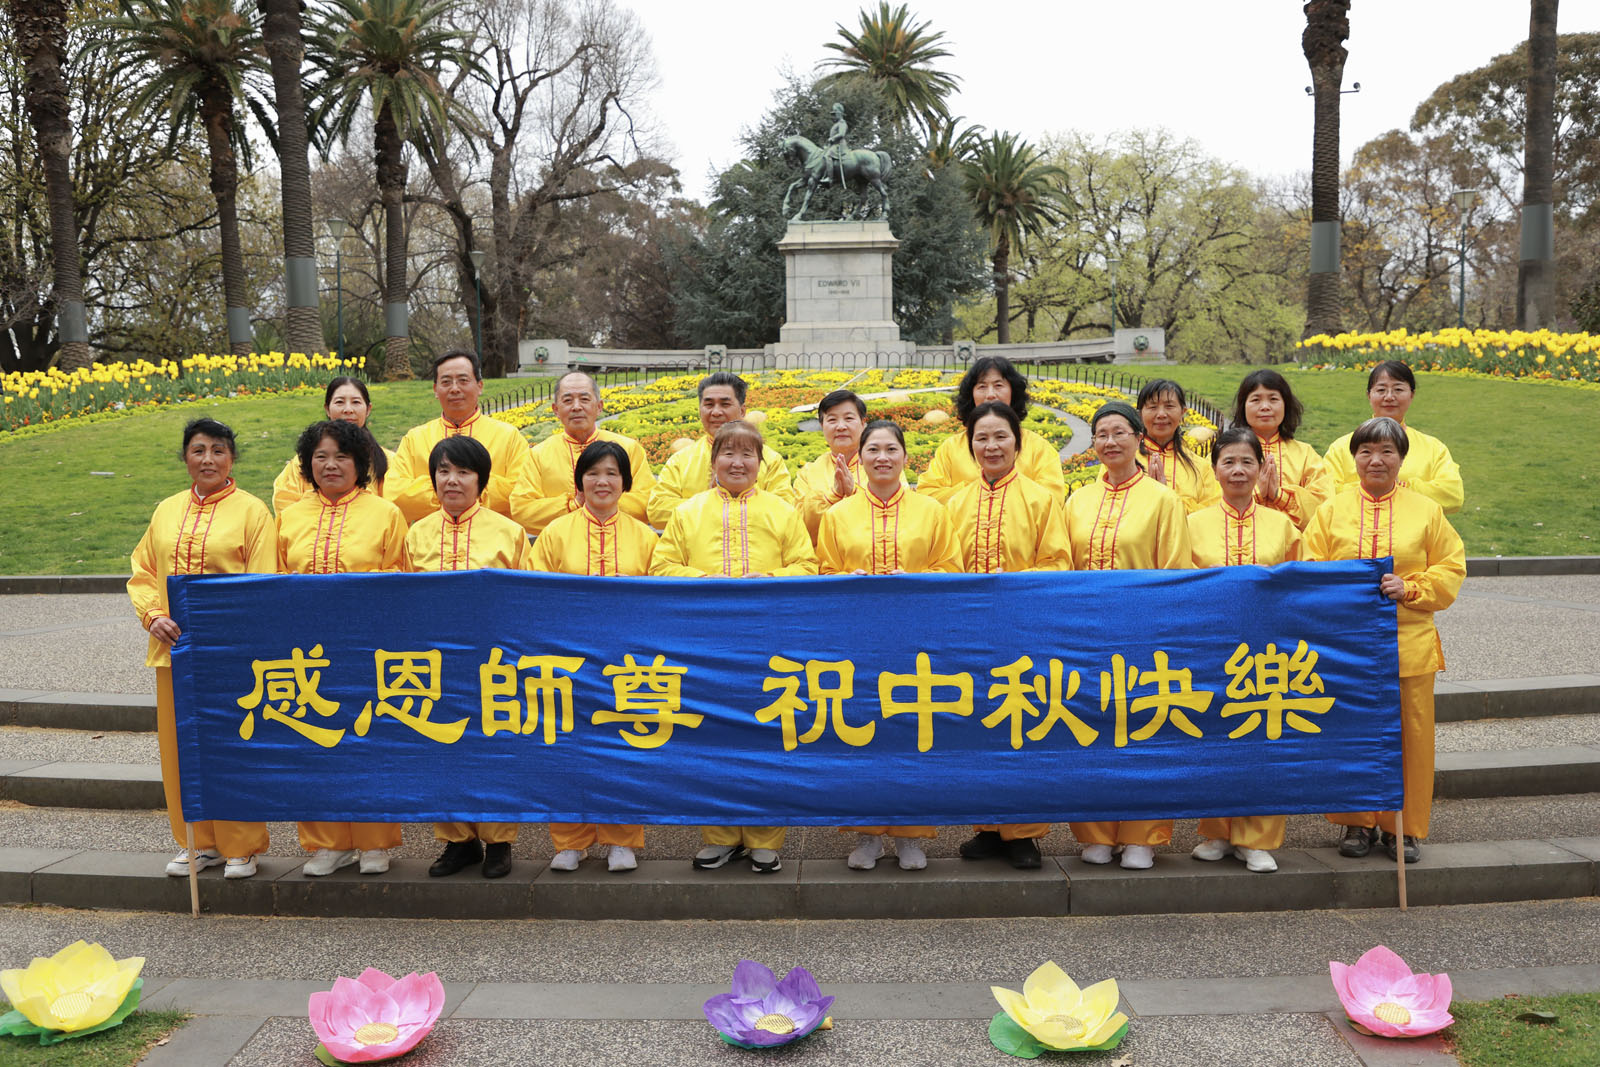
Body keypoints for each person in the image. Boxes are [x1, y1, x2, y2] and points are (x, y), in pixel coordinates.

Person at [651, 420, 817, 873]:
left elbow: (808, 566)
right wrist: (704, 580)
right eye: (728, 453)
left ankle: (765, 838)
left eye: (747, 454)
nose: (738, 462)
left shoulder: (782, 511)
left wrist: (773, 578)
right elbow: (662, 566)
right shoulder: (688, 512)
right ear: (714, 461)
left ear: (761, 464)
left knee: (768, 737)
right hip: (705, 646)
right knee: (711, 738)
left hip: (770, 646)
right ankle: (720, 836)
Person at [1305, 417, 1465, 864]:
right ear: (1354, 458)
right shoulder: (1331, 510)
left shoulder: (1426, 511)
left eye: (1387, 452)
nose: (1376, 460)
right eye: (1366, 452)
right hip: (1346, 646)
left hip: (1408, 644)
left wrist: (1410, 587)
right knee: (1351, 733)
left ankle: (1403, 827)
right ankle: (1356, 821)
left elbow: (1450, 567)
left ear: (1401, 458)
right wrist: (1340, 587)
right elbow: (1310, 566)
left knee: (1411, 739)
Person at [129, 418, 275, 880]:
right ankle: (197, 842)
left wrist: (237, 635)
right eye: (198, 450)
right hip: (173, 652)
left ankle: (241, 845)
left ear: (232, 458)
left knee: (235, 746)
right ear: (185, 457)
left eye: (217, 450)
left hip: (231, 656)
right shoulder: (166, 510)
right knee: (180, 750)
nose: (208, 459)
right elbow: (142, 572)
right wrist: (153, 615)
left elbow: (263, 583)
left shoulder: (253, 512)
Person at [817, 419, 961, 871]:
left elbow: (951, 568)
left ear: (905, 457)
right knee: (861, 735)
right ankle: (867, 835)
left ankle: (911, 836)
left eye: (891, 449)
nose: (882, 457)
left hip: (917, 643)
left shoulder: (932, 512)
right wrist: (846, 580)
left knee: (913, 736)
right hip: (856, 644)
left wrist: (916, 580)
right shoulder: (838, 515)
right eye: (873, 449)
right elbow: (822, 573)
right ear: (859, 458)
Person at [1064, 401, 1192, 870]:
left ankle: (1143, 835)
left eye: (1119, 432)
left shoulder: (1163, 500)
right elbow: (1064, 568)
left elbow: (1176, 570)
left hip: (1144, 636)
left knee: (1145, 731)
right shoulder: (1077, 500)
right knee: (1090, 731)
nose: (1110, 442)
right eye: (1101, 434)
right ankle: (1096, 832)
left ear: (1139, 438)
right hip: (1086, 637)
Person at [277, 419, 408, 876]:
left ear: (360, 463)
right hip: (306, 653)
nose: (330, 465)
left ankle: (375, 842)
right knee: (314, 743)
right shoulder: (289, 517)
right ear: (307, 464)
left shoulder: (386, 514)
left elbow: (401, 577)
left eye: (341, 456)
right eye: (321, 457)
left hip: (366, 648)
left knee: (370, 741)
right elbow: (274, 582)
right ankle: (327, 843)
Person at [945, 402, 1071, 869]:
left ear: (1017, 442)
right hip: (971, 637)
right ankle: (986, 827)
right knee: (977, 728)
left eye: (1001, 436)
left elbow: (1058, 562)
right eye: (982, 438)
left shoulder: (1040, 500)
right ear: (970, 445)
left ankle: (1023, 833)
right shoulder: (955, 504)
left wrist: (1012, 585)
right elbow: (946, 566)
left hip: (1025, 633)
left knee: (1025, 726)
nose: (991, 446)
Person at [405, 436, 533, 880]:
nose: (452, 480)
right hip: (432, 662)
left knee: (494, 748)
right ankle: (457, 841)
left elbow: (525, 598)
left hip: (493, 661)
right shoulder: (416, 533)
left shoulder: (508, 532)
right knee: (439, 748)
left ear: (482, 480)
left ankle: (498, 841)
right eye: (443, 471)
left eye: (463, 472)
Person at [531, 441, 658, 873]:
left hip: (628, 663)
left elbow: (660, 598)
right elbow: (535, 594)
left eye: (611, 473)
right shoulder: (554, 533)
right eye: (593, 473)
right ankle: (570, 840)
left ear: (625, 482)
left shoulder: (645, 536)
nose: (602, 482)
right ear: (579, 483)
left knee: (625, 748)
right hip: (567, 661)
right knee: (567, 748)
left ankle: (622, 839)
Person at [1185, 426, 1302, 874]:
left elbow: (1301, 584)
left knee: (1263, 740)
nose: (1237, 470)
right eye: (1228, 461)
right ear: (1214, 469)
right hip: (1210, 647)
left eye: (1246, 462)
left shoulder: (1282, 525)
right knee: (1214, 738)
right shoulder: (1192, 523)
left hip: (1268, 652)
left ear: (1261, 468)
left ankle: (1257, 839)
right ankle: (1216, 831)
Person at [388, 349, 533, 524]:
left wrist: (453, 489)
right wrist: (457, 490)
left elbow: (521, 492)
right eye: (446, 382)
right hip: (431, 537)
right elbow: (394, 492)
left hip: (493, 535)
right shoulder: (415, 439)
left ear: (480, 386)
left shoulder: (508, 437)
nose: (455, 389)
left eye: (463, 380)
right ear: (435, 390)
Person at [508, 370, 656, 535]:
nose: (576, 407)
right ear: (556, 410)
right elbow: (522, 509)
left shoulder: (628, 449)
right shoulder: (538, 455)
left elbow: (647, 502)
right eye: (568, 400)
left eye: (584, 399)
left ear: (599, 407)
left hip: (619, 542)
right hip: (561, 545)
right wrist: (574, 505)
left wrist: (598, 503)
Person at [646, 371, 795, 527]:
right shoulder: (681, 461)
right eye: (709, 405)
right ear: (700, 410)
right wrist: (712, 504)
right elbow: (657, 511)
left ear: (742, 411)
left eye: (725, 404)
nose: (716, 412)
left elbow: (785, 510)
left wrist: (725, 508)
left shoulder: (769, 459)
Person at [915, 356, 1066, 504]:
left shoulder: (1038, 447)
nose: (990, 395)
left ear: (1013, 392)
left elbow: (1053, 499)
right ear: (971, 394)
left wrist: (1000, 493)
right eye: (982, 387)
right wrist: (978, 491)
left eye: (998, 385)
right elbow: (927, 494)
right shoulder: (951, 448)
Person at [1322, 360, 1463, 514]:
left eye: (1398, 389)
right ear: (1369, 395)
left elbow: (1453, 495)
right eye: (1381, 390)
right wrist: (1373, 488)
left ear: (1412, 395)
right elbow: (1324, 493)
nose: (1389, 397)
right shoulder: (1341, 447)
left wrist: (1403, 487)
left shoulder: (1433, 448)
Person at [272, 376, 396, 513]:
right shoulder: (305, 461)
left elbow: (395, 509)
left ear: (368, 409)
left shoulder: (389, 461)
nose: (348, 410)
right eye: (339, 402)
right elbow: (285, 505)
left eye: (356, 402)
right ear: (327, 409)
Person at [1231, 368, 1332, 530]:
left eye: (1273, 399)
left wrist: (1279, 495)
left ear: (1286, 405)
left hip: (1292, 542)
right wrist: (1257, 492)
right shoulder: (1226, 452)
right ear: (1243, 406)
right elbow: (1212, 505)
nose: (1265, 407)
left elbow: (1323, 508)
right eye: (1256, 400)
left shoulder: (1306, 454)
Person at [793, 389, 871, 541]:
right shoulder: (808, 473)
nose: (841, 426)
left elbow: (898, 513)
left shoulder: (882, 465)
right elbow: (799, 528)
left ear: (863, 423)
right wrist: (833, 496)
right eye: (832, 420)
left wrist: (854, 492)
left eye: (848, 418)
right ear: (822, 425)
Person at [1136, 378, 1220, 513]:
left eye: (1169, 406)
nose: (1161, 414)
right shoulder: (1124, 461)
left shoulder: (1201, 467)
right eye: (1152, 407)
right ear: (1140, 414)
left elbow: (1212, 512)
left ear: (1182, 412)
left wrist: (1168, 498)